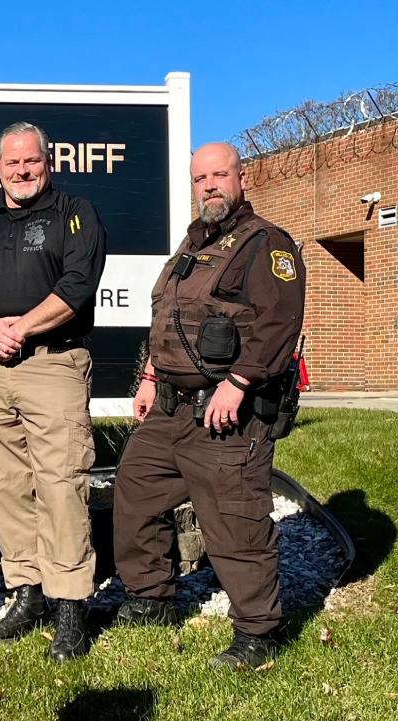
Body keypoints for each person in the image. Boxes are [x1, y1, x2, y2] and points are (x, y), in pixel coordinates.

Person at [113, 142, 306, 670]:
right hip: (171, 409)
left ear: (242, 179)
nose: (210, 186)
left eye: (220, 175)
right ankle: (152, 598)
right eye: (201, 179)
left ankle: (258, 632)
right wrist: (150, 376)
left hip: (227, 413)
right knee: (135, 492)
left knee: (234, 521)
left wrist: (239, 382)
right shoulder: (193, 246)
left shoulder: (267, 243)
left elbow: (279, 323)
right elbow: (168, 320)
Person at [0, 122, 107, 662]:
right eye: (12, 162)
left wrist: (19, 327)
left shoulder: (76, 212)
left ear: (48, 162)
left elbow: (76, 288)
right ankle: (26, 591)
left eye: (33, 162)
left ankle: (70, 603)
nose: (23, 171)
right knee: (7, 483)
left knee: (60, 482)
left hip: (53, 363)